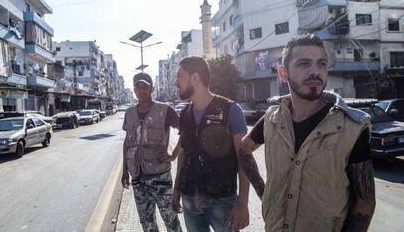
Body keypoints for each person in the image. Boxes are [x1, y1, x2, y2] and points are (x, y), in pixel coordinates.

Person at [238, 33, 376, 231]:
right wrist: (264, 192)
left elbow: (365, 202)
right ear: (283, 73)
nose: (315, 72)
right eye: (304, 64)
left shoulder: (352, 128)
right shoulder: (272, 118)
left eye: (321, 64)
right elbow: (244, 149)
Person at [171, 56, 250, 232]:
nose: (176, 82)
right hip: (189, 199)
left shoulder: (230, 110)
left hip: (222, 201)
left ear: (195, 78)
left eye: (179, 76)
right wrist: (176, 190)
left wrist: (243, 203)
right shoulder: (185, 113)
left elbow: (244, 159)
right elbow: (183, 153)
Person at [121, 72, 182, 232]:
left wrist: (173, 155)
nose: (142, 91)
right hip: (138, 178)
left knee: (171, 221)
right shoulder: (129, 113)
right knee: (147, 224)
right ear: (134, 90)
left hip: (160, 176)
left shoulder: (165, 109)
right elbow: (127, 142)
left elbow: (186, 132)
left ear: (152, 88)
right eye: (138, 87)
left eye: (145, 87)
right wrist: (124, 171)